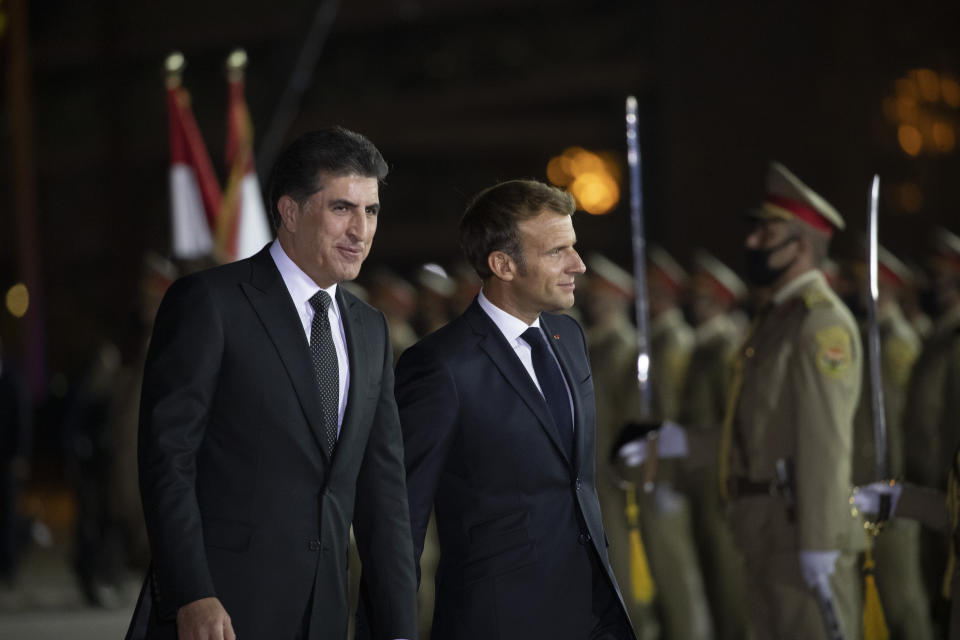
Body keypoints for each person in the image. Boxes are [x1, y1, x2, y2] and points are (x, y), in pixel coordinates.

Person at [128, 127, 417, 640]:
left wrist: (399, 629)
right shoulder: (209, 304)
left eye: (371, 211)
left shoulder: (371, 329)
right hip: (221, 612)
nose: (361, 230)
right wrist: (191, 592)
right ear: (289, 211)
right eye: (342, 208)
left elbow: (384, 495)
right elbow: (167, 461)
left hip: (325, 615)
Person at [619, 162, 865, 639]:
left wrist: (819, 540)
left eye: (766, 233)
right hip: (766, 531)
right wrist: (677, 443)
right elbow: (756, 432)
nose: (752, 243)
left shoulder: (819, 324)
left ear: (801, 244)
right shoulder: (775, 321)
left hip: (801, 534)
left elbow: (824, 441)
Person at [395, 179, 634, 639]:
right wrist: (391, 628)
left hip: (593, 611)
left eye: (575, 248)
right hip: (500, 619)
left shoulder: (570, 341)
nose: (578, 265)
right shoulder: (440, 366)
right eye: (557, 251)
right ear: (503, 264)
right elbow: (401, 517)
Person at [678, 250, 748, 640]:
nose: (695, 306)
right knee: (712, 582)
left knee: (729, 586)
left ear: (721, 300)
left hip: (721, 484)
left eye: (704, 299)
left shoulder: (725, 348)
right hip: (701, 480)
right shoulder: (705, 346)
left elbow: (733, 424)